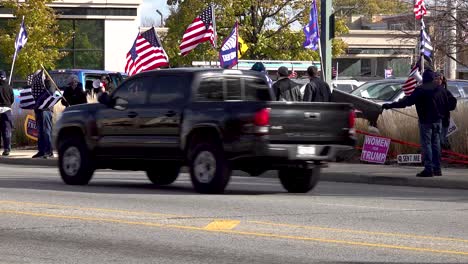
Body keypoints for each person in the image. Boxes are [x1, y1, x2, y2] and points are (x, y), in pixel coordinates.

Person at [382, 69, 448, 177]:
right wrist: (444, 118)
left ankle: (428, 169)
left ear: (424, 78)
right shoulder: (441, 89)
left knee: (427, 145)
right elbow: (447, 105)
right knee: (436, 145)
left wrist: (390, 105)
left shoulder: (421, 90)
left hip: (425, 122)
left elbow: (406, 102)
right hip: (438, 121)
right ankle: (437, 169)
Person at [33, 75, 54, 159]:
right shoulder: (37, 85)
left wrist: (40, 101)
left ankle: (49, 151)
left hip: (46, 110)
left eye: (37, 77)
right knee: (40, 132)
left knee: (46, 131)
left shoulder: (49, 84)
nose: (36, 78)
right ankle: (41, 151)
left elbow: (51, 93)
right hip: (38, 110)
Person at [434, 72, 457, 150]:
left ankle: (447, 155)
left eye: (438, 79)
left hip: (444, 121)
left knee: (443, 140)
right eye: (435, 79)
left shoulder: (445, 92)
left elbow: (453, 103)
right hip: (434, 121)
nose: (436, 80)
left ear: (442, 80)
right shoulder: (432, 91)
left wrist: (444, 109)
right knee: (437, 140)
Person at [0, 70, 14, 156]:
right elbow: (12, 99)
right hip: (6, 110)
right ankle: (7, 149)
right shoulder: (9, 87)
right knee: (6, 131)